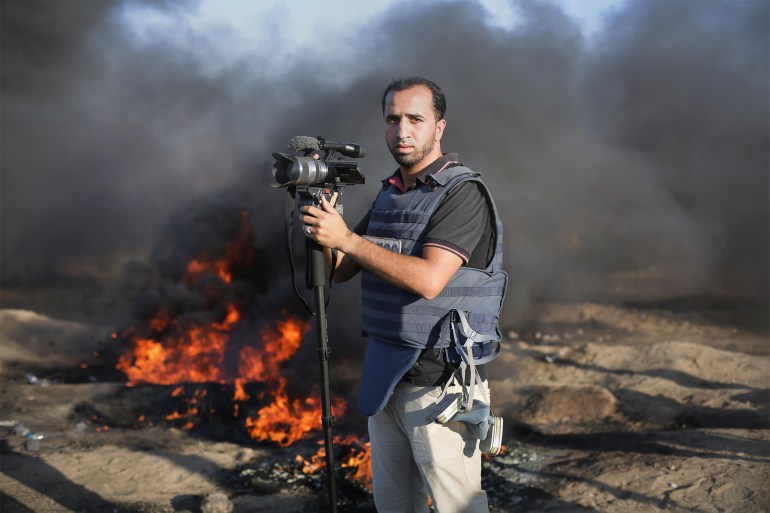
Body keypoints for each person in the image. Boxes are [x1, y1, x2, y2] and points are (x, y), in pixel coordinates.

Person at [300, 77, 507, 513]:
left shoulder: (462, 193)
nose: (402, 130)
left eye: (416, 119)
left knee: (459, 508)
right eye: (393, 119)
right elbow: (343, 271)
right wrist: (325, 223)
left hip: (439, 383)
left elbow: (430, 280)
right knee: (394, 506)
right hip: (387, 377)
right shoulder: (391, 193)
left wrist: (347, 239)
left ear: (439, 127)